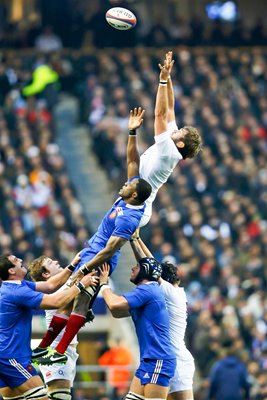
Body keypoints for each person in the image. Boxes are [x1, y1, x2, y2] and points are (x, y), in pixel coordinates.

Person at [33, 107, 152, 365]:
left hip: (101, 261)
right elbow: (132, 161)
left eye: (128, 185)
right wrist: (132, 132)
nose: (124, 184)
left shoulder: (130, 218)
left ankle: (58, 351)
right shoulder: (130, 200)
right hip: (91, 251)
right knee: (65, 304)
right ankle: (45, 347)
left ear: (133, 195)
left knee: (79, 304)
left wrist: (86, 267)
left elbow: (110, 249)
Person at [0, 254, 98, 400]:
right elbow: (55, 301)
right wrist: (81, 285)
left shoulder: (18, 286)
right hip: (11, 357)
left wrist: (72, 265)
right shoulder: (16, 292)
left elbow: (49, 285)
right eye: (15, 261)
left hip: (9, 355)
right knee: (44, 397)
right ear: (11, 271)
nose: (20, 260)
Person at [128, 51, 202, 227]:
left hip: (139, 208)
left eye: (181, 131)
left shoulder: (168, 151)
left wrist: (161, 81)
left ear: (181, 143)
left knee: (108, 248)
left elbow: (160, 114)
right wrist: (168, 77)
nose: (177, 129)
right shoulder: (173, 142)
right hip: (137, 201)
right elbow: (169, 108)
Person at [130, 232, 195, 400]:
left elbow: (150, 266)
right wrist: (137, 239)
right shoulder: (171, 292)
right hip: (164, 358)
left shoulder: (173, 293)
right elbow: (152, 264)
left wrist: (133, 241)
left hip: (178, 361)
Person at [99, 261, 176, 400]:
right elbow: (116, 312)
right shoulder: (148, 291)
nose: (133, 268)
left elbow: (114, 304)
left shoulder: (148, 289)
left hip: (158, 359)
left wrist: (104, 285)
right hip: (149, 360)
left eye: (137, 266)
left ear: (145, 270)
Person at [28, 255, 81, 400]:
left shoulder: (63, 289)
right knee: (60, 397)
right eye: (51, 263)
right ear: (46, 274)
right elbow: (79, 278)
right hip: (55, 351)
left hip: (68, 350)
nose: (57, 261)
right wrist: (75, 262)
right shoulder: (53, 293)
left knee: (56, 397)